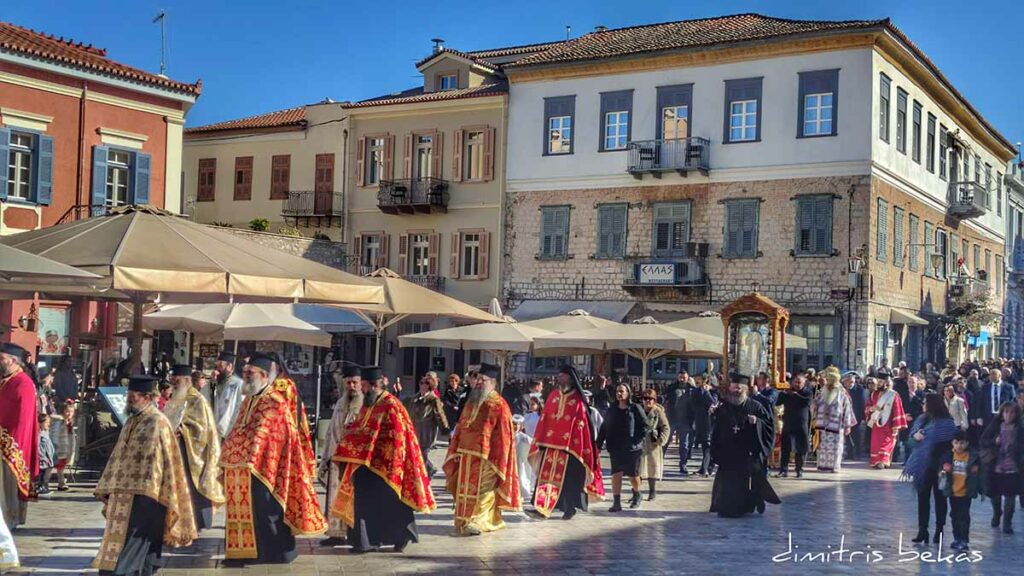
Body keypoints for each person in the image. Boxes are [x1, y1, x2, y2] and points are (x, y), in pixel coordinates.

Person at [219, 353, 326, 564]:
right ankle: (252, 553)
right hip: (246, 465)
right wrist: (228, 450)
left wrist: (247, 454)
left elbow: (266, 435)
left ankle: (280, 552)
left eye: (250, 373)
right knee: (253, 510)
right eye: (245, 372)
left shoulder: (274, 402)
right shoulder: (250, 398)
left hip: (270, 467)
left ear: (265, 376)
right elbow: (238, 429)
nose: (246, 376)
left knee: (268, 511)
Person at [92, 375, 196, 575]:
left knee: (135, 541)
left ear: (147, 397)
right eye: (129, 396)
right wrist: (109, 486)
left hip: (149, 495)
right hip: (126, 493)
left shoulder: (157, 422)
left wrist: (147, 491)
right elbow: (119, 456)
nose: (129, 400)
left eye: (133, 397)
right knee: (140, 545)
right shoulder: (133, 420)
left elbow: (158, 462)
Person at [331, 366, 435, 553]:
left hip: (387, 465)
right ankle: (365, 541)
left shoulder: (391, 405)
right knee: (363, 502)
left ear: (373, 385)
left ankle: (400, 537)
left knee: (391, 503)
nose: (361, 389)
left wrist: (383, 456)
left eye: (363, 385)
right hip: (366, 464)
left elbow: (399, 437)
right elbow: (363, 428)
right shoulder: (370, 404)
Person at [443, 363, 520, 536]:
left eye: (483, 380)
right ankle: (463, 519)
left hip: (488, 457)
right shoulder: (472, 401)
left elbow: (505, 435)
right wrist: (455, 449)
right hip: (466, 455)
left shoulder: (500, 405)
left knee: (484, 491)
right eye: (478, 379)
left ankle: (477, 521)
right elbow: (462, 426)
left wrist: (500, 457)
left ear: (492, 382)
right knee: (465, 490)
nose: (478, 383)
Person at [528, 365, 604, 519]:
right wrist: (541, 441)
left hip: (570, 449)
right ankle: (541, 507)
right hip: (550, 445)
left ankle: (570, 508)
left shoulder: (578, 401)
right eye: (559, 375)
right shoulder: (553, 396)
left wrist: (577, 446)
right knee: (546, 478)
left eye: (562, 375)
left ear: (570, 378)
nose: (559, 378)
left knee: (569, 481)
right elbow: (545, 419)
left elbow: (582, 425)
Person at [162, 365, 224, 533]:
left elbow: (202, 428)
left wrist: (182, 430)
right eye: (173, 380)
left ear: (187, 380)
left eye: (177, 380)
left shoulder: (197, 399)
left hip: (193, 452)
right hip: (177, 449)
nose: (174, 383)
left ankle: (199, 520)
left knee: (194, 486)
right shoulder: (176, 398)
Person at [709, 374, 779, 517]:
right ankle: (725, 507)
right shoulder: (723, 407)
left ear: (746, 390)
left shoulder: (755, 406)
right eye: (734, 388)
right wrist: (712, 414)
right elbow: (716, 428)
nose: (736, 391)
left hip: (746, 451)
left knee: (744, 480)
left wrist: (757, 422)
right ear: (729, 388)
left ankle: (744, 506)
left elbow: (770, 426)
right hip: (728, 451)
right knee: (727, 480)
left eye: (739, 389)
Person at [903, 393, 958, 544]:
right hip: (923, 465)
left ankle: (939, 529)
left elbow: (951, 445)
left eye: (926, 402)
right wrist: (916, 437)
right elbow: (910, 442)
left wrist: (945, 461)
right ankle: (922, 530)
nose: (923, 405)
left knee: (940, 499)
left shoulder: (947, 422)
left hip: (940, 466)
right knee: (923, 498)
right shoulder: (922, 419)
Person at [319, 366, 364, 547]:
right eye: (348, 382)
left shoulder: (364, 404)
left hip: (353, 460)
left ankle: (354, 533)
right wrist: (326, 456)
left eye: (355, 382)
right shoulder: (339, 403)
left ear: (361, 384)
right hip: (335, 457)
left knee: (351, 499)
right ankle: (335, 533)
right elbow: (330, 430)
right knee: (334, 497)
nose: (351, 386)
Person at [0, 343, 38, 529]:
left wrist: (9, 440)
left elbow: (24, 418)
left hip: (12, 443)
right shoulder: (6, 380)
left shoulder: (24, 383)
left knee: (9, 484)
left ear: (13, 361)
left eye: (2, 359)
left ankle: (11, 517)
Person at [597, 383, 648, 512]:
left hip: (632, 448)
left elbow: (645, 426)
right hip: (616, 446)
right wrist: (598, 444)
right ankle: (616, 502)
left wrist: (637, 440)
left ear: (628, 393)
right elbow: (604, 427)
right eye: (618, 391)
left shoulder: (635, 408)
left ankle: (637, 493)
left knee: (633, 475)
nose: (620, 394)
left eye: (622, 391)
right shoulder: (612, 409)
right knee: (616, 474)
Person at [980, 401, 1024, 534]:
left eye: (1012, 412)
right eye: (1006, 412)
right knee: (995, 495)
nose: (1008, 415)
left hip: (1013, 467)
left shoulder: (1020, 429)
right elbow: (983, 441)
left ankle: (1007, 522)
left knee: (1010, 497)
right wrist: (995, 441)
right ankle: (997, 513)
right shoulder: (995, 426)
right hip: (996, 466)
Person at [942, 430, 981, 552]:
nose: (959, 445)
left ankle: (964, 539)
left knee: (964, 516)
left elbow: (980, 467)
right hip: (953, 492)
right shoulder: (948, 456)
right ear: (952, 443)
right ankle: (956, 538)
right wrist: (944, 467)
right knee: (954, 515)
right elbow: (941, 467)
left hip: (965, 492)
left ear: (967, 443)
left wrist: (977, 469)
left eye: (962, 443)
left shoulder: (972, 456)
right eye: (956, 443)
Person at [813, 367, 857, 473]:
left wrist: (847, 425)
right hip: (822, 425)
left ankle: (834, 466)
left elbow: (847, 409)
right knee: (822, 448)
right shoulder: (821, 392)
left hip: (836, 425)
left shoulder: (842, 393)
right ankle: (822, 466)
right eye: (828, 380)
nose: (830, 383)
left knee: (835, 448)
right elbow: (815, 406)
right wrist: (814, 406)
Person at [405, 372, 449, 478]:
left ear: (430, 386)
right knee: (416, 454)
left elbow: (440, 415)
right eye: (421, 383)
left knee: (422, 455)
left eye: (425, 383)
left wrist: (445, 429)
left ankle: (424, 476)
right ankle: (430, 469)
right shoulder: (413, 399)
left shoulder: (433, 400)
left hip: (426, 433)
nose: (422, 385)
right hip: (414, 431)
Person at [866, 377, 909, 469]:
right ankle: (876, 461)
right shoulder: (874, 394)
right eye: (879, 381)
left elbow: (897, 410)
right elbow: (868, 406)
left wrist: (896, 426)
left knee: (887, 442)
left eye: (881, 381)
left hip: (889, 424)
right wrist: (871, 408)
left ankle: (883, 461)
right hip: (876, 423)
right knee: (876, 443)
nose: (879, 383)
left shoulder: (893, 395)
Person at [777, 374, 812, 478]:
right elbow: (778, 401)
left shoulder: (807, 392)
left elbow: (806, 402)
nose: (796, 384)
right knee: (785, 448)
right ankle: (783, 470)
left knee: (800, 448)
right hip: (788, 423)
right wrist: (784, 393)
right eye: (795, 382)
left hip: (801, 424)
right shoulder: (788, 392)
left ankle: (799, 470)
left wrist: (794, 394)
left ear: (804, 383)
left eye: (799, 382)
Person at [639, 388, 670, 501]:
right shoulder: (639, 410)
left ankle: (652, 491)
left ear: (655, 400)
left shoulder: (658, 412)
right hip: (640, 443)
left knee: (652, 468)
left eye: (651, 399)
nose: (648, 401)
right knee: (638, 470)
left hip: (653, 445)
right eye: (645, 399)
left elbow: (666, 427)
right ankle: (636, 492)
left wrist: (660, 439)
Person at [971, 369, 1017, 442]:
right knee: (989, 437)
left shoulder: (1009, 387)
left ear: (1000, 376)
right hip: (989, 416)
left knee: (1004, 437)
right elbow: (980, 403)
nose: (991, 376)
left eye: (994, 374)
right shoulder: (985, 387)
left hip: (1004, 417)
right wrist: (979, 416)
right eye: (990, 374)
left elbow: (1013, 402)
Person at [212, 351, 244, 438]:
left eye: (220, 366)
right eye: (216, 366)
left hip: (230, 429)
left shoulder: (238, 384)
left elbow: (241, 407)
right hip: (215, 429)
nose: (217, 370)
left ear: (229, 366)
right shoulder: (216, 383)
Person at [48, 400, 77, 491]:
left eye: (71, 412)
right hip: (57, 447)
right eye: (67, 411)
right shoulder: (59, 421)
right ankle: (44, 482)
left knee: (61, 467)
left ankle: (61, 483)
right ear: (63, 411)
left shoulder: (69, 422)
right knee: (50, 466)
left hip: (64, 448)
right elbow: (54, 433)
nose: (69, 414)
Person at [843, 372, 868, 460]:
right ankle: (849, 453)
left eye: (852, 382)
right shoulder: (843, 390)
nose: (850, 384)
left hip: (856, 416)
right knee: (847, 435)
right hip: (846, 416)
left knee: (856, 435)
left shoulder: (860, 390)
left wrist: (862, 417)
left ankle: (857, 453)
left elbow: (862, 404)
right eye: (848, 382)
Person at [512, 415, 534, 503]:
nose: (516, 426)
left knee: (521, 476)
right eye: (514, 424)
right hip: (509, 463)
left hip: (520, 462)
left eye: (518, 424)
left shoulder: (524, 438)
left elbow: (533, 445)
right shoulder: (507, 436)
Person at [36, 414, 54, 496]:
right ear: (40, 423)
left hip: (48, 456)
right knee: (41, 473)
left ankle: (42, 486)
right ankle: (40, 487)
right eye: (46, 422)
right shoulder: (39, 434)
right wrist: (42, 457)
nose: (48, 424)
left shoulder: (46, 432)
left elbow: (49, 444)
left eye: (48, 422)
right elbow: (38, 446)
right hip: (42, 457)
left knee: (44, 472)